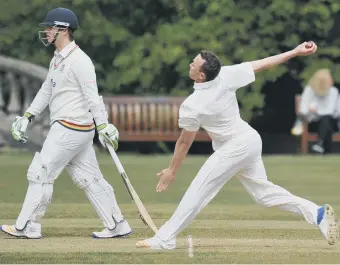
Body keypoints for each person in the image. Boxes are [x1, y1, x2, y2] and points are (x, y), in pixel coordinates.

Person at [136, 41, 339, 249]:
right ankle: (318, 213)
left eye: (193, 63)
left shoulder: (193, 104)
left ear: (201, 76)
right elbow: (262, 64)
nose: (190, 64)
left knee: (199, 188)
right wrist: (295, 52)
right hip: (249, 140)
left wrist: (172, 171)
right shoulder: (225, 75)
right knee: (264, 196)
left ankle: (165, 238)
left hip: (237, 145)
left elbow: (185, 142)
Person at [0, 7, 132, 239]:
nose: (47, 31)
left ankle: (27, 226)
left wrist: (103, 125)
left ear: (63, 30)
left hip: (70, 128)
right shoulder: (58, 59)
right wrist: (28, 116)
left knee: (40, 172)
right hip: (75, 131)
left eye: (50, 27)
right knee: (89, 178)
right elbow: (46, 90)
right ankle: (117, 224)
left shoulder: (80, 61)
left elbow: (92, 96)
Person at [291, 68, 339, 154]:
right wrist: (310, 110)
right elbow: (303, 110)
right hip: (312, 123)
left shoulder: (333, 91)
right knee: (326, 123)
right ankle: (322, 147)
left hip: (330, 121)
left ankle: (320, 144)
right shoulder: (309, 90)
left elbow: (331, 111)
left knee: (326, 120)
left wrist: (316, 111)